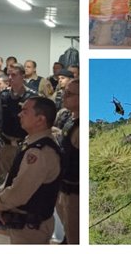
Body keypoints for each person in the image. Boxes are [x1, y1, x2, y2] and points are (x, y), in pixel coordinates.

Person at [0, 97, 61, 244]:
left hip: (29, 228)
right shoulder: (34, 142)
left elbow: (19, 192)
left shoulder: (39, 152)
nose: (19, 114)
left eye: (25, 111)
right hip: (25, 225)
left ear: (40, 119)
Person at [57, 79, 79, 244]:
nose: (64, 96)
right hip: (64, 188)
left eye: (69, 94)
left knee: (74, 236)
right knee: (68, 230)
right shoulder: (70, 119)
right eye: (65, 92)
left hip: (74, 193)